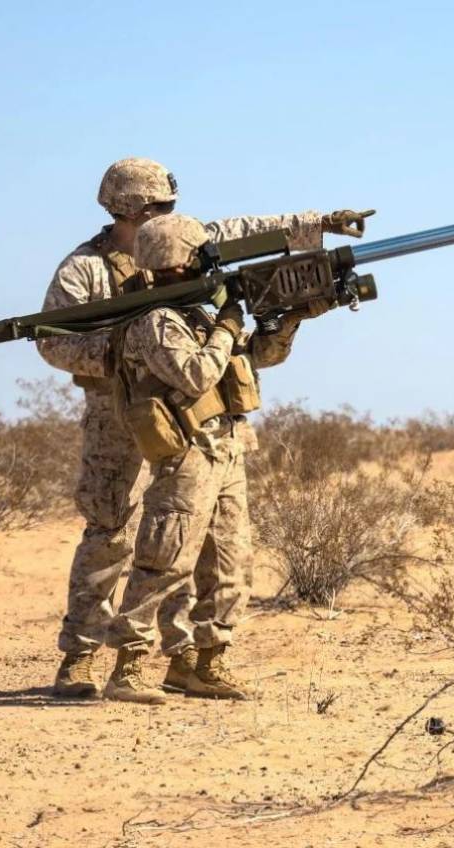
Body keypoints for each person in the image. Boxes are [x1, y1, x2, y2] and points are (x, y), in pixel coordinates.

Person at [38, 157, 373, 698]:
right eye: (158, 208)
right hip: (117, 413)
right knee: (112, 531)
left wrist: (322, 222)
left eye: (170, 206)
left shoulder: (189, 243)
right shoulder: (83, 270)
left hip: (195, 416)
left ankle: (188, 656)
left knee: (194, 536)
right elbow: (53, 342)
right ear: (127, 209)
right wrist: (129, 355)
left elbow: (253, 231)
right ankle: (80, 656)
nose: (169, 214)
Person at [101, 213, 337, 704]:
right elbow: (195, 373)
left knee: (230, 561)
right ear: (182, 258)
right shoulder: (156, 321)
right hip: (186, 453)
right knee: (165, 560)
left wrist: (290, 317)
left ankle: (204, 665)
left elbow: (256, 358)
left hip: (228, 447)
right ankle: (127, 670)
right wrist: (230, 322)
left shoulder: (202, 312)